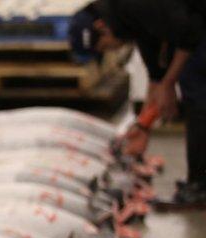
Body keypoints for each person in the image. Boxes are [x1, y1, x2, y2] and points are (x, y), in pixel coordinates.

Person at [70, 0, 206, 206]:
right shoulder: (130, 23)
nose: (110, 51)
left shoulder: (138, 6)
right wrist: (143, 126)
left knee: (195, 88)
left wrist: (170, 83)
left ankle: (199, 187)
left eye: (105, 47)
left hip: (198, 22)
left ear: (101, 27)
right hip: (194, 24)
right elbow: (156, 78)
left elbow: (191, 33)